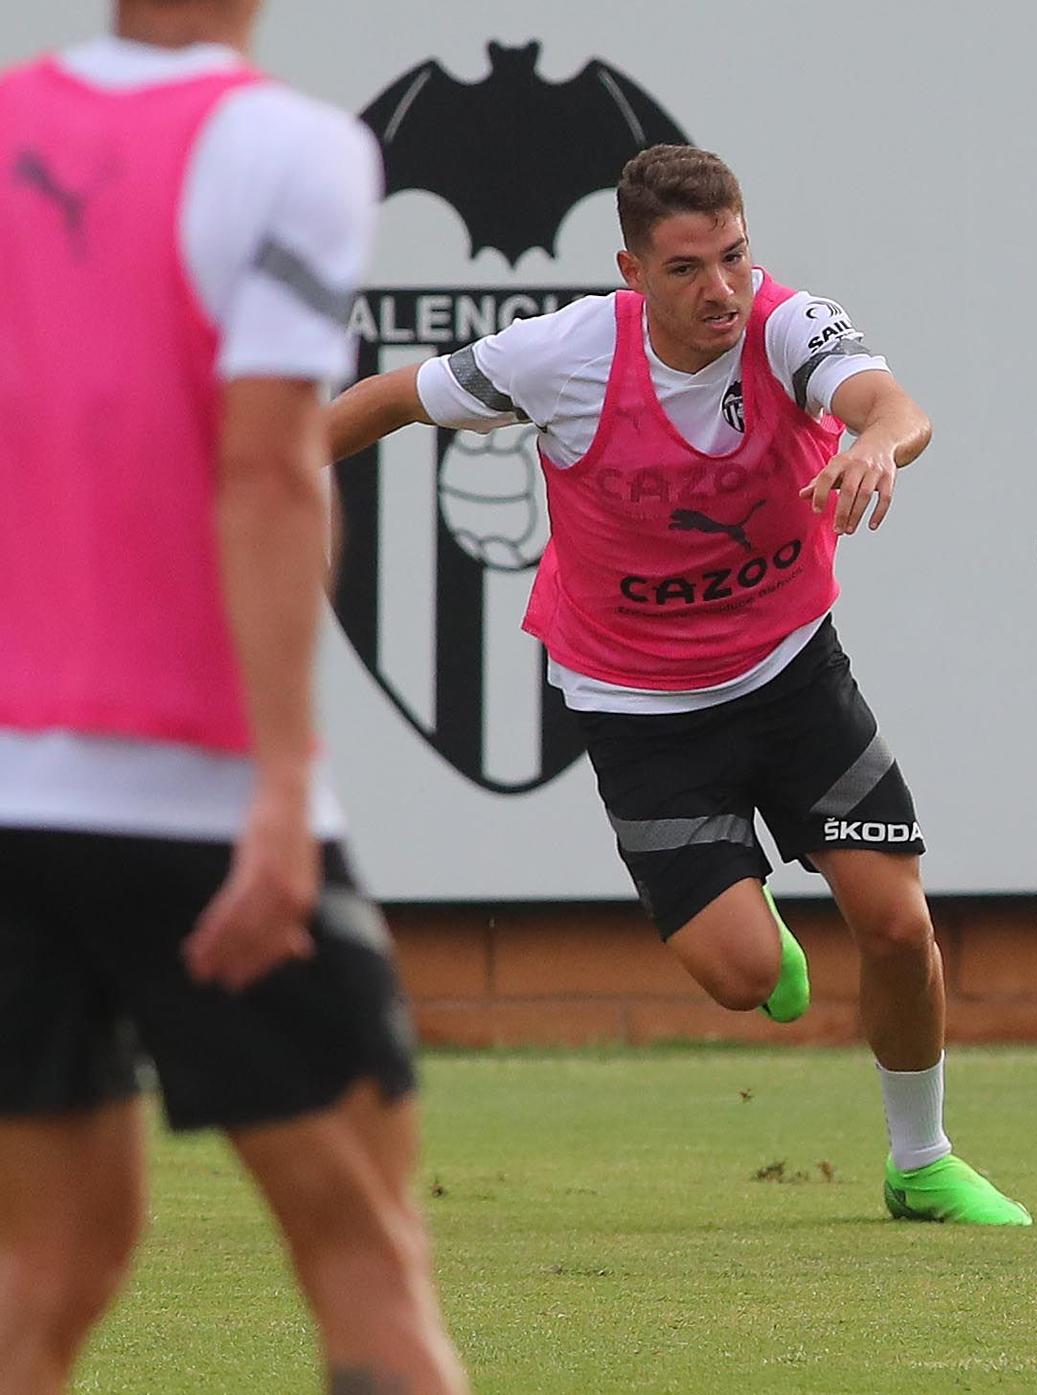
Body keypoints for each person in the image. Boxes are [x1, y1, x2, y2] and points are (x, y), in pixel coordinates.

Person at [328, 144, 1028, 1226]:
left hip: (791, 673)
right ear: (632, 271)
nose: (721, 290)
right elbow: (389, 399)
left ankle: (921, 1160)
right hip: (637, 706)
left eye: (735, 256)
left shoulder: (790, 328)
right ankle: (757, 931)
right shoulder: (559, 356)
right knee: (743, 979)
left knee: (896, 926)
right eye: (688, 268)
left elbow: (893, 406)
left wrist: (878, 446)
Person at [0, 2, 468, 1393]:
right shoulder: (289, 147)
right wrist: (280, 782)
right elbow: (268, 468)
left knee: (48, 1268)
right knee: (368, 1254)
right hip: (193, 803)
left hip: (12, 807)